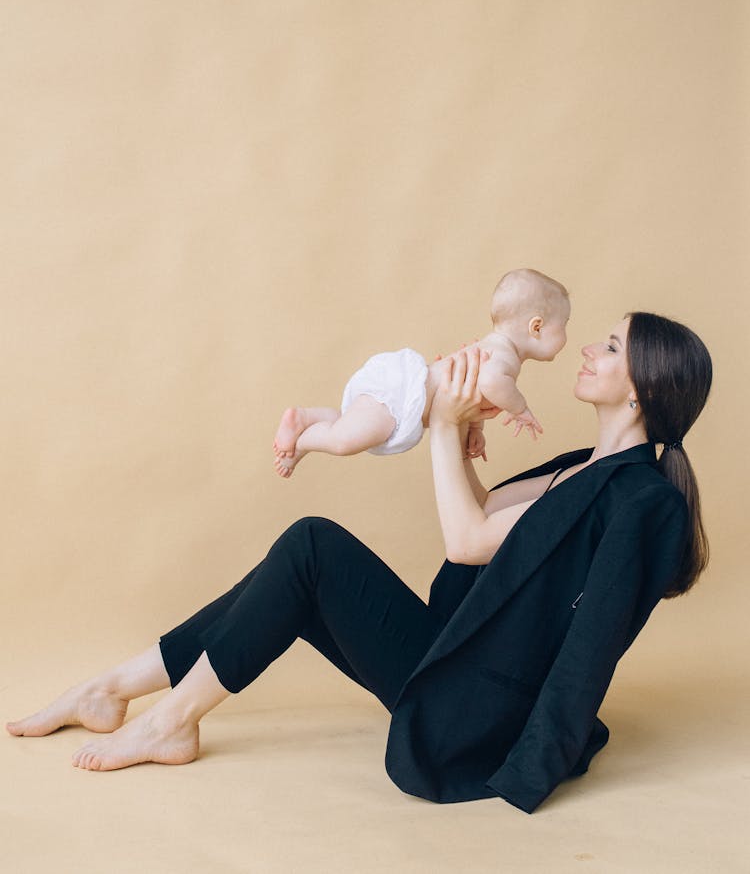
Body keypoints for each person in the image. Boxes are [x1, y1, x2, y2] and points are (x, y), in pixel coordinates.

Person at [6, 310, 711, 815]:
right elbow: (488, 519)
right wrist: (461, 430)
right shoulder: (580, 469)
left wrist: (438, 428)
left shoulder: (643, 499)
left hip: (477, 707)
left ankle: (169, 721)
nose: (588, 348)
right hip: (457, 654)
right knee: (298, 572)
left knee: (312, 547)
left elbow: (475, 549)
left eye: (611, 345)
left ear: (642, 386)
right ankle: (115, 687)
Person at [272, 267, 569, 478]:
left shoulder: (492, 349)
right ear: (537, 327)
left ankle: (307, 422)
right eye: (563, 327)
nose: (566, 337)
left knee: (349, 425)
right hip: (403, 396)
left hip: (402, 388)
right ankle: (304, 439)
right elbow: (491, 382)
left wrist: (475, 430)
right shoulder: (505, 358)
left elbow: (471, 391)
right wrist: (520, 409)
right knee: (343, 442)